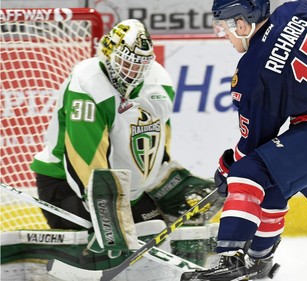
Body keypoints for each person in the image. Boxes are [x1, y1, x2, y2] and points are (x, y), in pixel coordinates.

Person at [181, 0, 307, 280]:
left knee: (247, 173)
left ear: (242, 23)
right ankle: (259, 263)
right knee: (272, 186)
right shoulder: (295, 12)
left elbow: (253, 146)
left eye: (224, 27)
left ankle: (231, 261)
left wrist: (226, 167)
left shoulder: (251, 73)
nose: (223, 35)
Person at [30, 19, 220, 262]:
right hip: (66, 184)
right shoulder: (88, 82)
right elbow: (83, 155)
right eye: (127, 63)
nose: (133, 72)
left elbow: (157, 137)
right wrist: (105, 211)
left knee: (157, 241)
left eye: (139, 65)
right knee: (100, 254)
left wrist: (162, 179)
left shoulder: (158, 81)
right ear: (109, 54)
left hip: (124, 189)